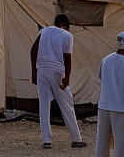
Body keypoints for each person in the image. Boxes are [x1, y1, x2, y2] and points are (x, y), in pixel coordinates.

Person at [30, 14, 85, 149]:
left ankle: (46, 141)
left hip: (42, 69)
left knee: (44, 105)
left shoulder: (44, 31)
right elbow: (67, 58)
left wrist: (34, 73)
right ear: (66, 25)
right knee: (67, 104)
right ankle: (76, 138)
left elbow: (33, 50)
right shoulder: (67, 35)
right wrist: (67, 77)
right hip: (57, 70)